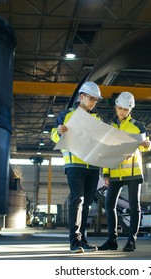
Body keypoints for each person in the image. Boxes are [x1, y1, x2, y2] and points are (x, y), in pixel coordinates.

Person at [51, 81, 104, 253]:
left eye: (96, 100)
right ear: (81, 96)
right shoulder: (66, 115)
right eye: (91, 99)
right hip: (75, 164)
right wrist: (58, 131)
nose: (94, 103)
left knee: (87, 204)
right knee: (77, 200)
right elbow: (54, 135)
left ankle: (83, 239)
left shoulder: (97, 119)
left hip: (93, 166)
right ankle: (74, 241)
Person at [98, 91, 151, 252]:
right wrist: (106, 173)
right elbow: (107, 151)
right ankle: (112, 240)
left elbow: (148, 143)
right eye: (120, 108)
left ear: (130, 110)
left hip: (133, 173)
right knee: (109, 205)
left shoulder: (137, 126)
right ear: (115, 107)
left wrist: (147, 145)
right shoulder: (110, 127)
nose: (122, 112)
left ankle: (131, 240)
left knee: (134, 206)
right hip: (115, 172)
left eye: (125, 109)